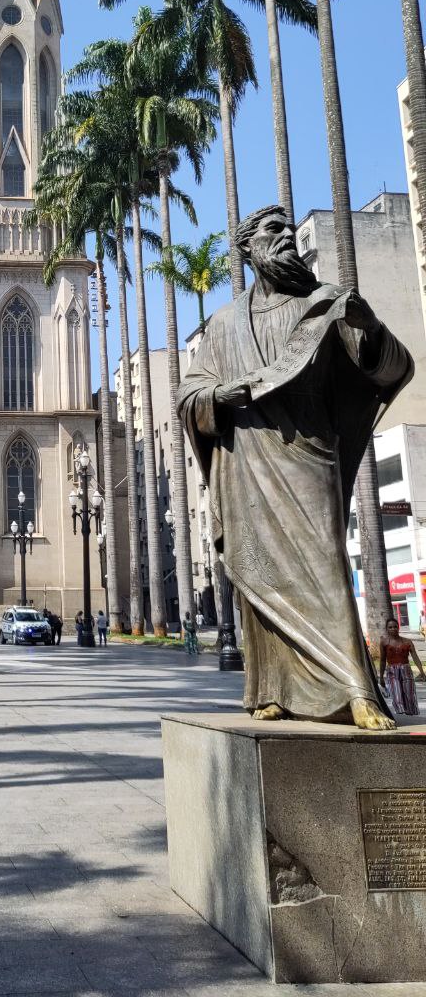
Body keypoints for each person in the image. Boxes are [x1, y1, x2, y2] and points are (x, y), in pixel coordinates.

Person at [178, 205, 412, 729]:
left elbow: (392, 367)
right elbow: (189, 392)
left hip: (309, 457)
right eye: (272, 230)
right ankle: (270, 688)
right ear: (248, 249)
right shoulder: (223, 324)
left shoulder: (326, 305)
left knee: (327, 568)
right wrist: (219, 394)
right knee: (257, 573)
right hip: (247, 465)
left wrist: (370, 327)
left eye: (288, 229)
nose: (285, 237)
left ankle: (357, 687)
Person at [379, 618, 425, 715]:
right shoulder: (384, 642)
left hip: (406, 670)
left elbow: (415, 657)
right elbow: (382, 660)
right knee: (396, 692)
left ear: (398, 627)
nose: (393, 629)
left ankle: (410, 711)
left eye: (395, 626)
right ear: (387, 629)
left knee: (409, 693)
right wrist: (381, 677)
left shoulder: (407, 642)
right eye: (390, 627)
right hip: (392, 671)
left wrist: (422, 672)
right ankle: (400, 710)